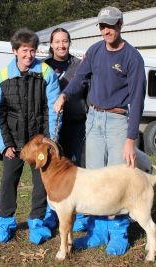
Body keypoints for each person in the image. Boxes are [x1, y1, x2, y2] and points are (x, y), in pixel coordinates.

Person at [54, 6, 152, 256]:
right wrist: (65, 94)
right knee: (96, 179)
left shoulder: (132, 57)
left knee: (119, 180)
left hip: (119, 121)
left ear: (121, 25)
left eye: (111, 25)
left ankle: (119, 234)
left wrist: (131, 138)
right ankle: (98, 232)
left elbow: (138, 100)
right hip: (94, 119)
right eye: (102, 26)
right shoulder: (95, 51)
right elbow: (79, 78)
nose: (106, 30)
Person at [0, 27, 60, 245]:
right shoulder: (1, 76)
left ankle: (37, 221)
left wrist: (49, 142)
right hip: (14, 144)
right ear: (14, 51)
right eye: (24, 51)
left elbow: (53, 110)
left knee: (41, 184)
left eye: (32, 51)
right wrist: (5, 145)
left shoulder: (47, 73)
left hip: (39, 145)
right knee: (8, 181)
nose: (29, 55)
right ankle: (5, 221)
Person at [44, 28, 89, 232]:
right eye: (57, 42)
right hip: (52, 127)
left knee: (74, 168)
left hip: (75, 124)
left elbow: (89, 91)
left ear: (70, 43)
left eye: (65, 41)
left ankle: (77, 213)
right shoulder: (43, 67)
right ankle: (51, 213)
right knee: (50, 171)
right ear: (51, 44)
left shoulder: (80, 65)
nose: (61, 45)